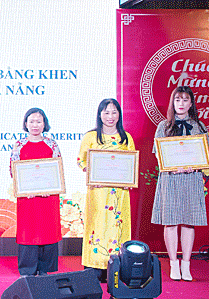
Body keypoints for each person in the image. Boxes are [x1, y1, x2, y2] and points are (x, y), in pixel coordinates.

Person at [152, 86, 207, 282]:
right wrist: (171, 167)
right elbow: (158, 153)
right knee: (171, 221)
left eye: (185, 100)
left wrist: (194, 166)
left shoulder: (199, 127)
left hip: (191, 179)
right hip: (170, 178)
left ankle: (186, 263)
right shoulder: (164, 126)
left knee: (189, 220)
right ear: (172, 103)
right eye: (178, 100)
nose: (181, 104)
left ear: (191, 104)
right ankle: (173, 263)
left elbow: (204, 155)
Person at [77, 98, 134, 282]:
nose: (110, 116)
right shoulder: (91, 137)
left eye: (114, 112)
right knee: (98, 226)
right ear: (100, 114)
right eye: (106, 112)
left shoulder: (126, 138)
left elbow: (132, 163)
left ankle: (116, 265)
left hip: (119, 193)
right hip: (98, 192)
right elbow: (81, 160)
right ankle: (94, 267)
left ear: (119, 114)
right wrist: (91, 173)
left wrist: (129, 180)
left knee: (117, 227)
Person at [10, 108, 61, 276]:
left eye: (39, 121)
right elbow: (13, 170)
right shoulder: (19, 145)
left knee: (47, 229)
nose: (35, 125)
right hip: (27, 197)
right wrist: (25, 188)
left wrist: (50, 187)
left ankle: (45, 268)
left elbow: (57, 169)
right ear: (26, 124)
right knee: (29, 230)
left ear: (44, 124)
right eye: (31, 121)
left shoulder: (52, 144)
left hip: (48, 197)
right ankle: (28, 269)